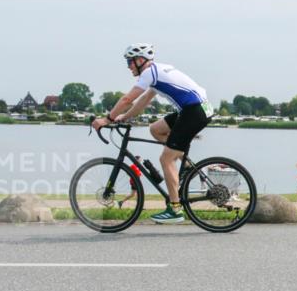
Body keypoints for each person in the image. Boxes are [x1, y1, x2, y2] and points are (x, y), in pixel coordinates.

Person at [92, 43, 214, 224]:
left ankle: (175, 209)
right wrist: (124, 117)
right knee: (155, 129)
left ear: (141, 60)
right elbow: (143, 101)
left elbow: (127, 99)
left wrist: (107, 119)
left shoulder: (150, 73)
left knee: (166, 159)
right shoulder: (157, 71)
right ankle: (187, 166)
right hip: (196, 109)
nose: (129, 66)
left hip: (194, 111)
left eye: (130, 62)